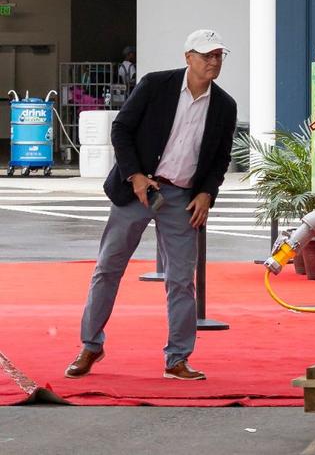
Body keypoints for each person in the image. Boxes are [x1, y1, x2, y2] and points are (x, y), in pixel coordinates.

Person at [65, 29, 238, 382]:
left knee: (180, 280)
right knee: (108, 267)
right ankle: (90, 345)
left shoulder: (224, 105)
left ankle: (177, 358)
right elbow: (121, 130)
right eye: (207, 55)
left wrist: (207, 193)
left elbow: (220, 158)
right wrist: (135, 176)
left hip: (183, 198)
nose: (214, 61)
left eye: (219, 55)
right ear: (188, 57)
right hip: (139, 189)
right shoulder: (155, 85)